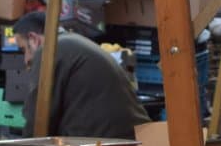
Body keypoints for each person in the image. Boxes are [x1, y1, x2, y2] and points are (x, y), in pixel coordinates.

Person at [14, 11, 148, 137]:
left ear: (33, 38)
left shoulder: (50, 50)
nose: (26, 60)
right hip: (134, 137)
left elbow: (39, 117)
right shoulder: (74, 42)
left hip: (106, 145)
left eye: (23, 49)